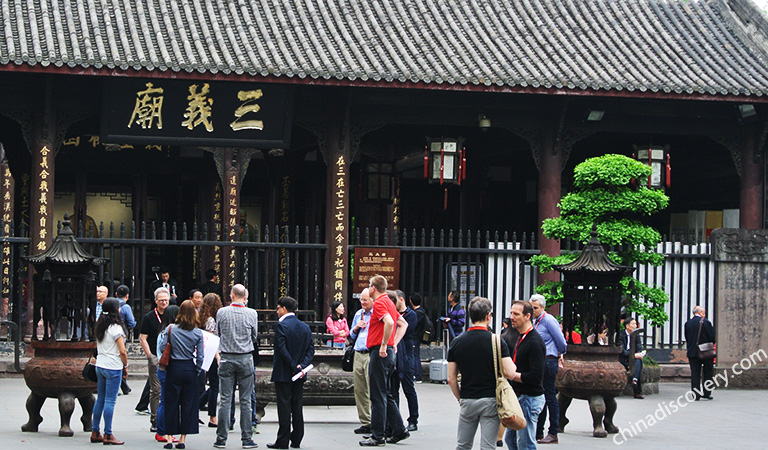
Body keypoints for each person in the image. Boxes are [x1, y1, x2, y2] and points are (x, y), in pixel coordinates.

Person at [448, 297, 516, 450]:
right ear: (487, 316)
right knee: (488, 446)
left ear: (470, 316)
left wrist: (460, 397)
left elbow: (451, 378)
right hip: (490, 399)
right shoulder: (497, 341)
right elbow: (510, 372)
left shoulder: (457, 342)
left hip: (468, 398)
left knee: (463, 445)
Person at [359, 275, 409, 447]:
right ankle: (399, 429)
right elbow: (403, 324)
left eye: (369, 285)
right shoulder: (389, 301)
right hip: (388, 352)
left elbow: (388, 322)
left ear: (373, 288)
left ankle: (378, 435)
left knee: (377, 395)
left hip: (379, 353)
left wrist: (383, 344)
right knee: (385, 393)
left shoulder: (380, 303)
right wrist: (392, 343)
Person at [214, 284, 259, 449]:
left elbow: (218, 333)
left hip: (226, 357)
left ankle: (221, 438)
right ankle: (247, 438)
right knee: (246, 400)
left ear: (232, 295)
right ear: (245, 297)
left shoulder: (222, 312)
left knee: (226, 399)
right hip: (245, 357)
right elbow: (254, 336)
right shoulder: (251, 313)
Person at [267, 296, 315, 449]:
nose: (277, 311)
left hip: (284, 373)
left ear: (284, 309)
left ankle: (283, 440)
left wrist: (294, 366)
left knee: (284, 407)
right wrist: (302, 366)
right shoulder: (305, 327)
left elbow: (282, 350)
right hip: (300, 373)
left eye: (278, 308)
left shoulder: (281, 326)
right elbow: (310, 350)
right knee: (297, 405)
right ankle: (297, 438)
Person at [158, 300, 204, 449]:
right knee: (188, 404)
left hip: (174, 367)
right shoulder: (197, 332)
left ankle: (170, 438)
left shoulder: (171, 328)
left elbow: (162, 346)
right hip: (189, 367)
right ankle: (183, 439)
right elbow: (201, 356)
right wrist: (196, 370)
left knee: (171, 403)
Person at [504, 300, 546, 450]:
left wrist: (512, 375)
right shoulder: (522, 337)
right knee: (511, 439)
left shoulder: (534, 341)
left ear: (528, 316)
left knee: (525, 443)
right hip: (520, 397)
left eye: (516, 314)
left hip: (529, 397)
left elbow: (536, 376)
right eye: (511, 313)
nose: (512, 317)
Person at [529, 294, 567, 445]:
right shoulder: (536, 321)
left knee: (550, 396)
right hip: (540, 361)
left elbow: (561, 341)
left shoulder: (548, 320)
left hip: (549, 360)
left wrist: (559, 352)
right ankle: (539, 430)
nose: (533, 311)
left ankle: (553, 431)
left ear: (543, 307)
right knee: (541, 396)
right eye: (531, 308)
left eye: (535, 308)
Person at [90, 298, 128, 445]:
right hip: (113, 366)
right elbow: (122, 351)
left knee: (100, 399)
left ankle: (95, 431)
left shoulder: (100, 326)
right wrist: (125, 365)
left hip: (101, 364)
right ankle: (108, 433)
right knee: (110, 401)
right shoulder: (116, 328)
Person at [138, 287, 170, 432]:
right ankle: (155, 419)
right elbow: (142, 338)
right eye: (161, 300)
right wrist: (149, 355)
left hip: (170, 356)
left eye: (166, 300)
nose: (164, 302)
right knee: (156, 389)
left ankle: (168, 418)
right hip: (155, 356)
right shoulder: (149, 317)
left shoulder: (172, 315)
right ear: (155, 301)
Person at [393, 290, 419, 431]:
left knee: (409, 388)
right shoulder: (394, 314)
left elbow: (405, 331)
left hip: (407, 355)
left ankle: (413, 419)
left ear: (401, 300)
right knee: (394, 388)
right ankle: (395, 420)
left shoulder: (411, 315)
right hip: (395, 354)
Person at [349, 287, 374, 435]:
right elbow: (351, 334)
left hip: (371, 353)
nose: (362, 302)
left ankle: (376, 421)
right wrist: (357, 328)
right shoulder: (359, 314)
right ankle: (365, 422)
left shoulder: (376, 314)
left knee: (372, 389)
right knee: (359, 389)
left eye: (365, 300)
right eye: (361, 300)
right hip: (358, 353)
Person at [155, 305, 180, 445]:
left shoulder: (162, 331)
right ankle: (162, 431)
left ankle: (162, 430)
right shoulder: (171, 331)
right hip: (169, 368)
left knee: (164, 400)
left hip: (162, 368)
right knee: (166, 401)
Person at [198, 293, 223, 427]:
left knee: (214, 385)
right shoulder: (211, 320)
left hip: (206, 353)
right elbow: (212, 340)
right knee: (215, 385)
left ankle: (196, 406)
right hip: (213, 354)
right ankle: (213, 417)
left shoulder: (202, 317)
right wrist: (217, 356)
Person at [684, 306, 715, 401]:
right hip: (706, 351)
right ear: (700, 312)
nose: (704, 315)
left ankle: (696, 394)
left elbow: (687, 337)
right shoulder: (706, 322)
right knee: (708, 372)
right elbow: (712, 337)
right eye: (704, 312)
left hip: (693, 352)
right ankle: (707, 392)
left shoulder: (688, 323)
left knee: (695, 373)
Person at [115, 285, 136, 396]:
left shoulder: (111, 304)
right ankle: (121, 385)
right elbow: (132, 323)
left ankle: (124, 386)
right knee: (120, 358)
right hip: (121, 335)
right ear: (127, 296)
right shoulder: (126, 307)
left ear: (116, 294)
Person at [618, 317, 645, 399]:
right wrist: (632, 355)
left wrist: (640, 354)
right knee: (636, 363)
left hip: (633, 359)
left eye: (636, 324)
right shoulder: (621, 335)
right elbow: (621, 350)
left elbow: (639, 347)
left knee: (638, 362)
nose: (635, 326)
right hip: (623, 358)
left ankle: (635, 381)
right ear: (627, 326)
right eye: (633, 324)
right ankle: (635, 383)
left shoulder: (636, 336)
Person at [409, 292, 427, 383]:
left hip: (415, 337)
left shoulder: (417, 314)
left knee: (415, 355)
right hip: (418, 336)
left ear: (411, 301)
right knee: (415, 355)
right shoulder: (422, 311)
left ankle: (417, 375)